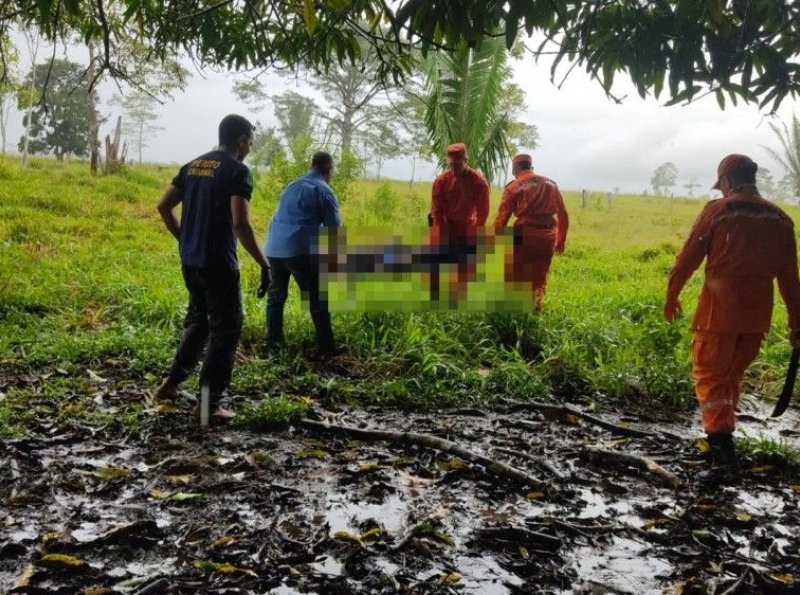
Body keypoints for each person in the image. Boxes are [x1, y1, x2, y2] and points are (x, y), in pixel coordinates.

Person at [664, 153, 800, 484]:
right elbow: (790, 279)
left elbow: (686, 260)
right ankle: (719, 442)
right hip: (755, 319)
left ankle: (724, 459)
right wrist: (796, 323)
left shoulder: (718, 211)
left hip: (717, 315)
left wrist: (671, 296)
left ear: (726, 182)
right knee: (729, 379)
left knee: (711, 380)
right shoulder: (781, 219)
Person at [154, 114, 271, 421]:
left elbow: (164, 206)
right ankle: (208, 405)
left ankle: (170, 383)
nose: (250, 148)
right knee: (226, 330)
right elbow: (241, 222)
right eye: (250, 142)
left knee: (199, 322)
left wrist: (184, 238)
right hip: (219, 263)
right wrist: (263, 262)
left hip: (191, 260)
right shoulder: (237, 171)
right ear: (241, 140)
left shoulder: (192, 166)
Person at [264, 151, 341, 356]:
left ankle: (273, 342)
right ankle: (327, 347)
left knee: (276, 295)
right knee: (316, 298)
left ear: (312, 165)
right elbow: (334, 230)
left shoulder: (292, 185)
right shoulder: (324, 191)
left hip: (273, 248)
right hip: (299, 251)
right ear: (328, 170)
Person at [493, 153, 568, 312]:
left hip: (524, 237)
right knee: (540, 276)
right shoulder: (551, 184)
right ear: (530, 166)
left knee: (516, 274)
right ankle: (535, 310)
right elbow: (563, 213)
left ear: (515, 168)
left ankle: (515, 311)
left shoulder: (513, 187)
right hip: (548, 238)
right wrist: (561, 239)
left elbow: (501, 219)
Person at [429, 143, 490, 304]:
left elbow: (483, 212)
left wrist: (474, 233)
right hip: (445, 224)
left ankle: (461, 298)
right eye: (451, 165)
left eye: (457, 164)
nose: (454, 168)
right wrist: (439, 231)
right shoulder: (442, 181)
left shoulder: (478, 182)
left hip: (467, 225)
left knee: (464, 265)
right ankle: (435, 297)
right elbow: (436, 209)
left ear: (466, 161)